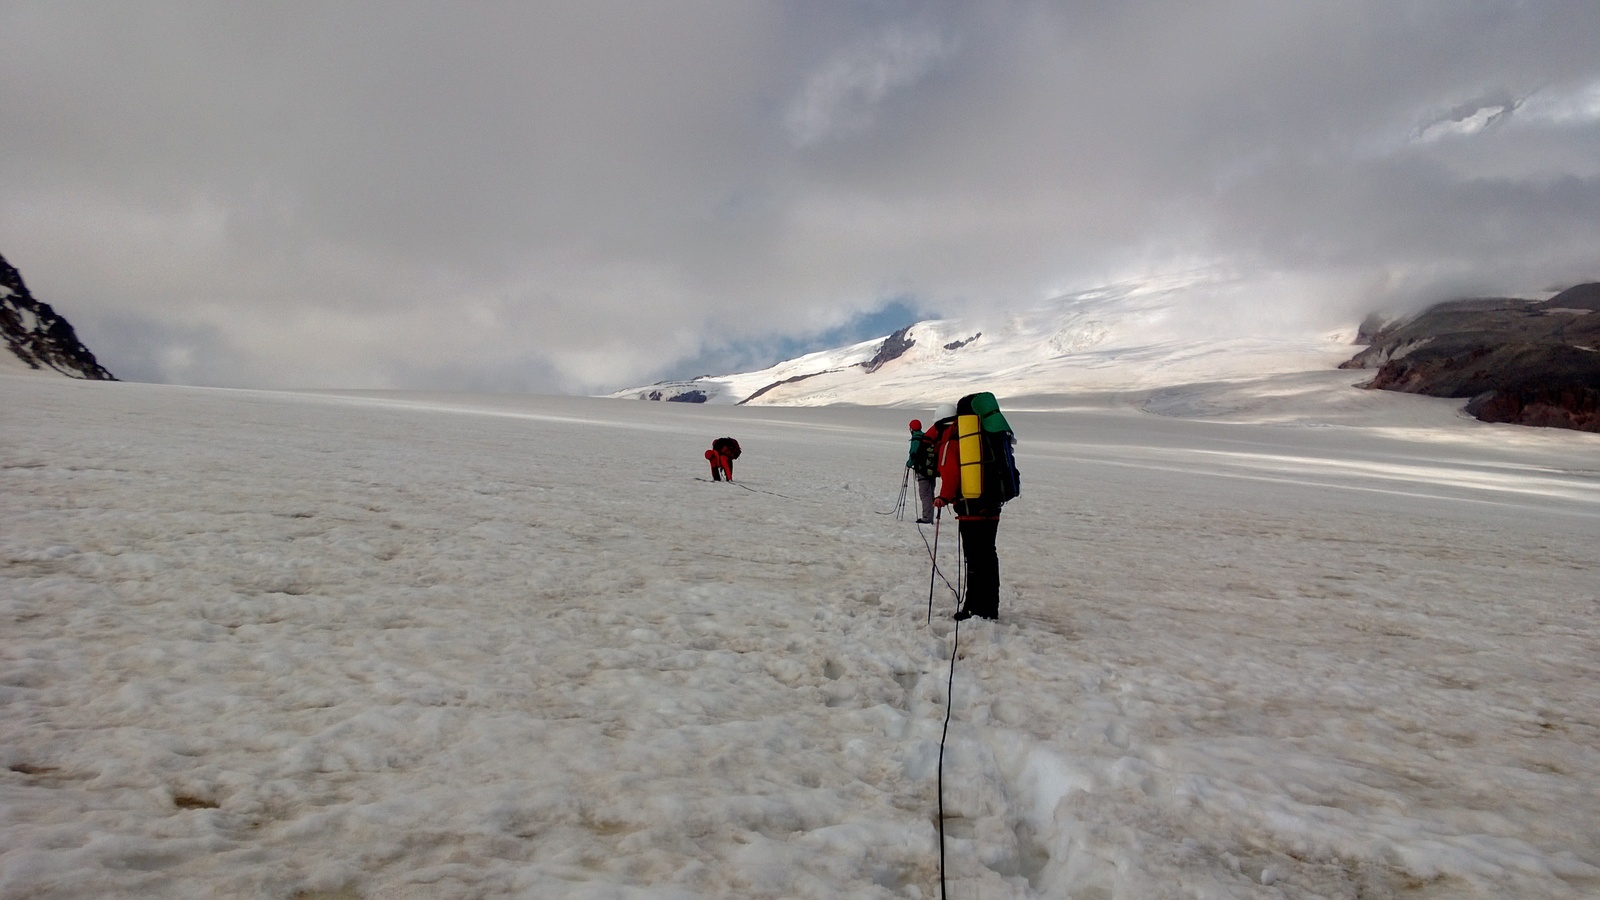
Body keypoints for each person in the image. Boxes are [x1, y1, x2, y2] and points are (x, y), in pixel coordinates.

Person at [931, 401, 1005, 621]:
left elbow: (950, 475)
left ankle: (973, 607)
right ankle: (990, 607)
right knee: (988, 557)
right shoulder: (980, 438)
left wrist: (942, 498)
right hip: (992, 506)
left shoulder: (951, 443)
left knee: (973, 559)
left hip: (970, 510)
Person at [905, 418, 937, 524]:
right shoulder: (927, 437)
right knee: (930, 492)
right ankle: (930, 515)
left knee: (925, 494)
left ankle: (927, 517)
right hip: (932, 470)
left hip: (923, 471)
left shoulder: (916, 440)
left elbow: (913, 454)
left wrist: (909, 464)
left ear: (911, 429)